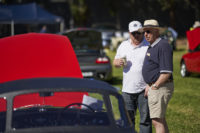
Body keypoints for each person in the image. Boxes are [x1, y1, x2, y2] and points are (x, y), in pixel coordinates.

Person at [113, 20, 152, 133]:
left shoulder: (148, 45)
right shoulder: (123, 45)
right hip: (127, 90)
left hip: (144, 89)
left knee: (145, 120)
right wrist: (117, 62)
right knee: (128, 120)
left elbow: (155, 67)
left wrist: (151, 85)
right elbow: (115, 61)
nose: (136, 35)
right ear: (129, 33)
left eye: (138, 33)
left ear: (142, 32)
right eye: (133, 33)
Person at [141, 19, 174, 133]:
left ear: (156, 31)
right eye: (144, 31)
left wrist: (154, 86)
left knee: (156, 121)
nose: (145, 34)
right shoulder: (153, 45)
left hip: (160, 87)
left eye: (148, 31)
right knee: (160, 120)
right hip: (156, 86)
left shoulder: (163, 45)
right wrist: (149, 85)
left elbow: (166, 72)